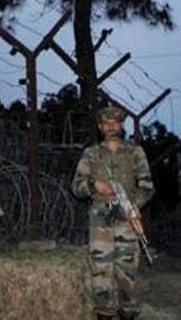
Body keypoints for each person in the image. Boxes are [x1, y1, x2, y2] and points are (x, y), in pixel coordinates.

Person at [71, 106, 154, 320]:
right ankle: (104, 313)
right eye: (106, 123)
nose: (111, 127)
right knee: (101, 270)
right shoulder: (91, 154)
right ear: (100, 127)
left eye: (115, 123)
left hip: (127, 217)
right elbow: (76, 187)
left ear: (121, 125)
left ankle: (128, 312)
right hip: (100, 218)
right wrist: (93, 185)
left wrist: (135, 206)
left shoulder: (135, 152)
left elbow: (147, 186)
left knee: (126, 269)